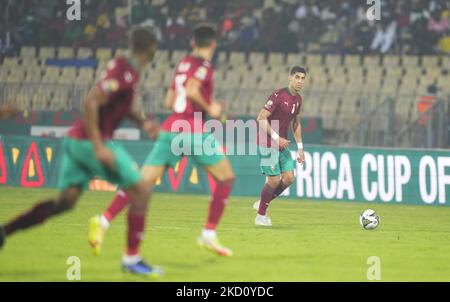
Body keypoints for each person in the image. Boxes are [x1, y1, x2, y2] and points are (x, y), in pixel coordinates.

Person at [0, 27, 162, 277]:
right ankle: (132, 259)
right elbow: (91, 101)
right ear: (151, 47)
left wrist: (143, 123)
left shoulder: (127, 70)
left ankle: (4, 232)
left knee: (64, 203)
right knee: (141, 189)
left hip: (76, 142)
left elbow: (120, 103)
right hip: (90, 142)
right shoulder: (125, 71)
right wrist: (98, 146)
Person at [88, 23, 235, 257]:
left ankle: (103, 220)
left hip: (170, 129)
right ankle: (208, 233)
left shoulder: (182, 64)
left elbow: (169, 101)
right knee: (226, 177)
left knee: (140, 183)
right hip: (192, 130)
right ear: (213, 44)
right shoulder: (205, 66)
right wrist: (212, 109)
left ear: (193, 43)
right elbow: (192, 89)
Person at [253, 66, 306, 226]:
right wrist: (276, 138)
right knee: (274, 180)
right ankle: (260, 216)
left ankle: (263, 202)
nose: (300, 81)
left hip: (281, 144)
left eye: (303, 78)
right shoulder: (278, 96)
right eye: (297, 77)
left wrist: (300, 148)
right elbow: (261, 118)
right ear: (290, 77)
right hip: (267, 142)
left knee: (289, 178)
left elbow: (296, 123)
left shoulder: (298, 100)